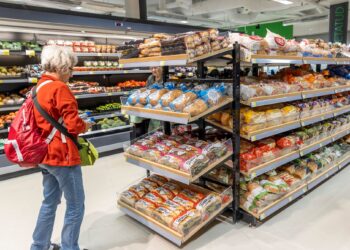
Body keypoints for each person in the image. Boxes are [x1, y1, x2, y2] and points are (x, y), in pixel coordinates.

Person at [31, 45, 91, 250]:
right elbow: (74, 125)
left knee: (49, 202)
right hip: (62, 156)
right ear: (63, 67)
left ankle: (38, 246)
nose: (71, 74)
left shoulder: (38, 87)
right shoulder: (60, 88)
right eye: (71, 68)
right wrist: (86, 125)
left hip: (43, 155)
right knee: (75, 205)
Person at [131, 66, 163, 135]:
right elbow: (147, 89)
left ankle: (155, 133)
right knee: (136, 106)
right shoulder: (151, 78)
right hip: (149, 99)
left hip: (159, 101)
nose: (153, 70)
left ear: (161, 68)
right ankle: (137, 128)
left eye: (156, 68)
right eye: (152, 68)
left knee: (155, 114)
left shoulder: (165, 78)